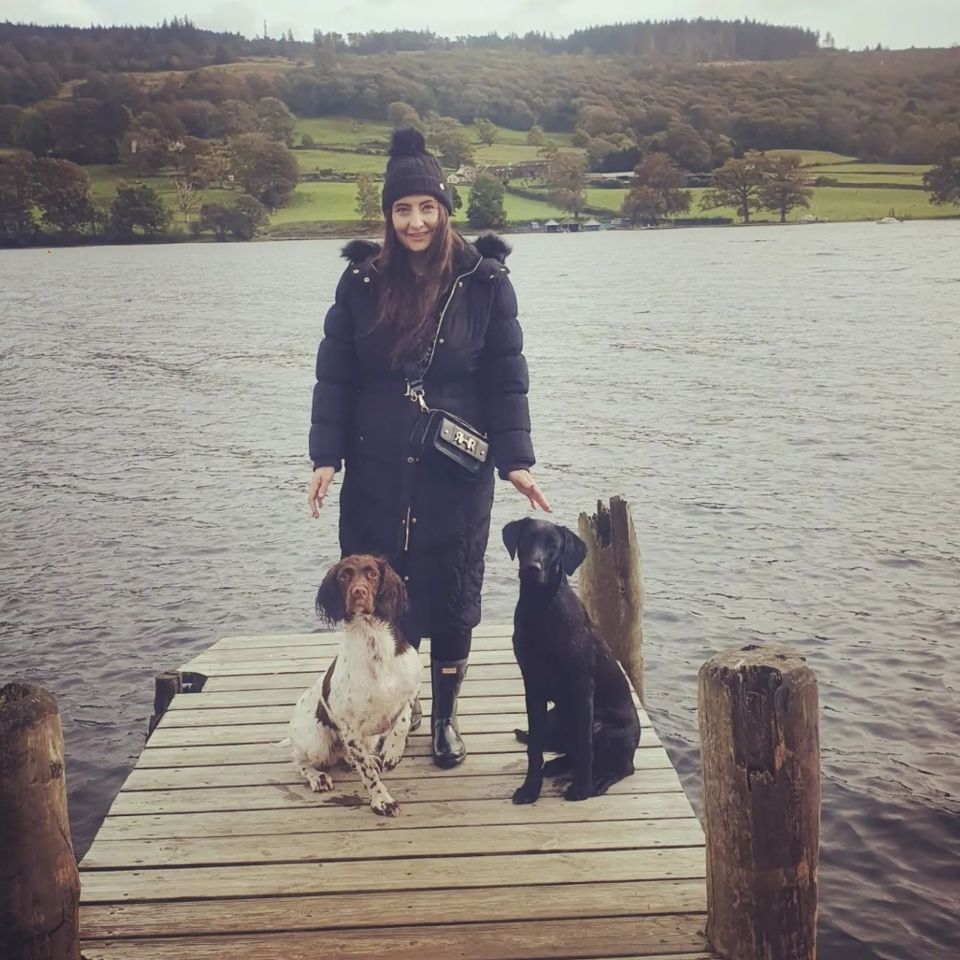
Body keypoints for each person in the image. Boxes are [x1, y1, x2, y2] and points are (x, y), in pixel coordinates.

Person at [307, 128, 550, 769]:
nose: (415, 222)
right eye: (402, 209)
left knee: (451, 596)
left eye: (426, 207)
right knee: (378, 594)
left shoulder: (485, 282)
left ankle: (442, 720)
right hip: (376, 469)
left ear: (445, 210)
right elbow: (335, 375)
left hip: (454, 472)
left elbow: (507, 375)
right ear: (388, 217)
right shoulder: (360, 283)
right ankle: (388, 709)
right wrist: (324, 458)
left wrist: (516, 460)